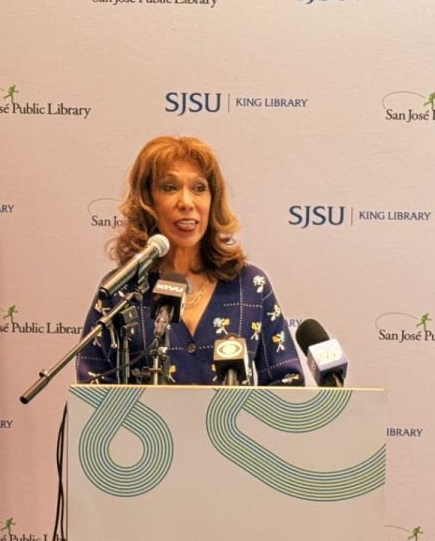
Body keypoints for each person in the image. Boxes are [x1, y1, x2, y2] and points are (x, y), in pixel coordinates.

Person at [76, 136, 302, 385]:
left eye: (199, 188)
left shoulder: (250, 286)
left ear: (212, 200)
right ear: (148, 202)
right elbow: (92, 396)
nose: (186, 202)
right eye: (169, 188)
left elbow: (287, 384)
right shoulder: (120, 292)